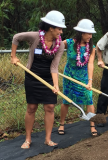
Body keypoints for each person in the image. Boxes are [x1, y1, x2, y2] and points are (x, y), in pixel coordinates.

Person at [10, 10, 66, 148]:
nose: (61, 32)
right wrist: (13, 56)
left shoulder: (60, 45)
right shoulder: (35, 37)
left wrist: (56, 85)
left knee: (50, 106)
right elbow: (16, 37)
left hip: (48, 78)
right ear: (51, 27)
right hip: (32, 77)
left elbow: (54, 67)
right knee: (31, 107)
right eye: (59, 28)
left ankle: (48, 139)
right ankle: (28, 139)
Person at [58, 19, 97, 136]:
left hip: (84, 77)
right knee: (66, 100)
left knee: (89, 99)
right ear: (81, 33)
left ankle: (92, 125)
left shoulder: (91, 47)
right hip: (69, 75)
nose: (90, 36)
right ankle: (61, 124)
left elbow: (90, 64)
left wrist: (90, 80)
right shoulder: (68, 43)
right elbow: (56, 47)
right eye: (88, 33)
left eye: (91, 34)